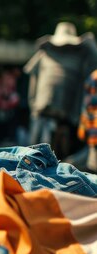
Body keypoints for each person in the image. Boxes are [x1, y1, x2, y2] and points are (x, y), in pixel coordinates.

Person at [24, 22, 97, 159]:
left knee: (51, 155)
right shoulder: (45, 53)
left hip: (63, 114)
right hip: (43, 109)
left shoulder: (78, 55)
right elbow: (33, 77)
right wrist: (33, 103)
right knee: (33, 153)